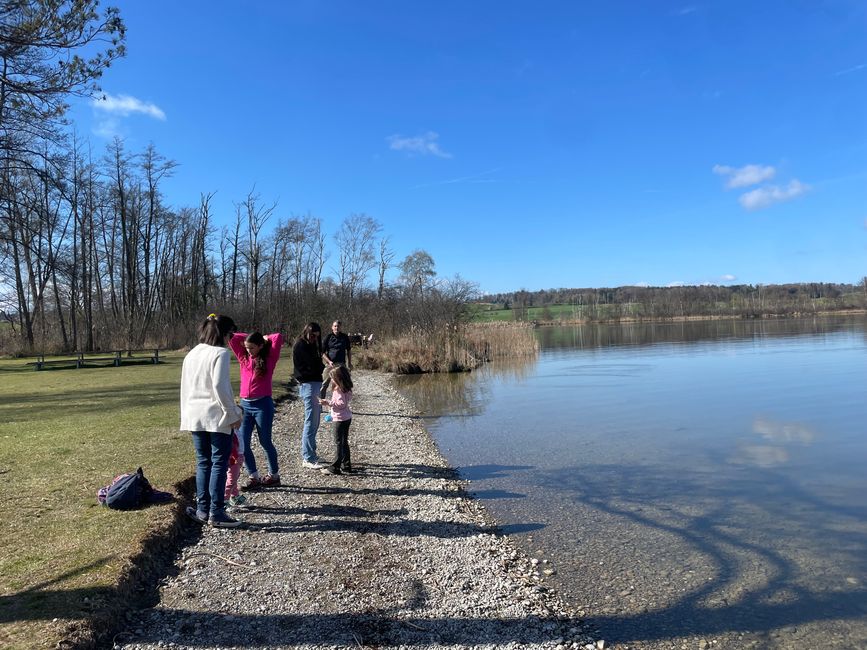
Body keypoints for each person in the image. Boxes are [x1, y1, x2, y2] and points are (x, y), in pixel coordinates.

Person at [180, 313, 244, 528]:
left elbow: (185, 387)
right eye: (231, 334)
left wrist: (186, 415)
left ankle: (203, 509)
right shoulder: (221, 354)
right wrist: (233, 413)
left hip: (194, 415)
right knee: (219, 462)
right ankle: (217, 511)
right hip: (216, 416)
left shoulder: (192, 354)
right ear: (224, 333)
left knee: (203, 462)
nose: (231, 338)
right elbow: (220, 387)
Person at [228, 330, 285, 489]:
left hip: (263, 405)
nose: (248, 350)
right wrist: (248, 338)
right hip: (245, 405)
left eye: (252, 347)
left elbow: (278, 337)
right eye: (246, 347)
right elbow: (232, 339)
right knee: (242, 443)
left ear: (260, 346)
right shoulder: (243, 358)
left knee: (265, 441)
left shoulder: (269, 358)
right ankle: (253, 476)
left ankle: (274, 475)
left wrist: (265, 338)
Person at [293, 322, 325, 468]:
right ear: (306, 332)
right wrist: (319, 366)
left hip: (315, 383)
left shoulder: (313, 345)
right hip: (308, 384)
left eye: (317, 336)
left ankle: (312, 453)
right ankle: (308, 458)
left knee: (315, 421)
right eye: (312, 335)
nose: (314, 338)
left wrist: (319, 365)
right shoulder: (300, 345)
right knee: (310, 421)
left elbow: (317, 364)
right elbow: (310, 366)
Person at [318, 365, 354, 475]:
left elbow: (341, 404)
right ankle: (346, 465)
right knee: (344, 442)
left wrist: (328, 402)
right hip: (347, 417)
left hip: (339, 419)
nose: (331, 380)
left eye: (332, 378)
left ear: (338, 379)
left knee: (338, 442)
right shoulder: (347, 388)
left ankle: (335, 467)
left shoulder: (338, 390)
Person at [320, 320, 353, 399]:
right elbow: (322, 353)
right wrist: (329, 361)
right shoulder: (328, 337)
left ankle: (337, 404)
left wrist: (349, 362)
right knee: (324, 384)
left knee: (340, 385)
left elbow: (348, 350)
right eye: (335, 326)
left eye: (338, 326)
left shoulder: (345, 337)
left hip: (341, 365)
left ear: (340, 327)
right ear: (332, 327)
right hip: (330, 365)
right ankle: (320, 405)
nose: (336, 328)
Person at [224, 427, 246, 508]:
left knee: (235, 478)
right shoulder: (231, 432)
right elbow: (232, 446)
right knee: (231, 480)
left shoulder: (236, 430)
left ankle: (235, 497)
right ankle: (224, 500)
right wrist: (237, 456)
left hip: (238, 457)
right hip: (234, 459)